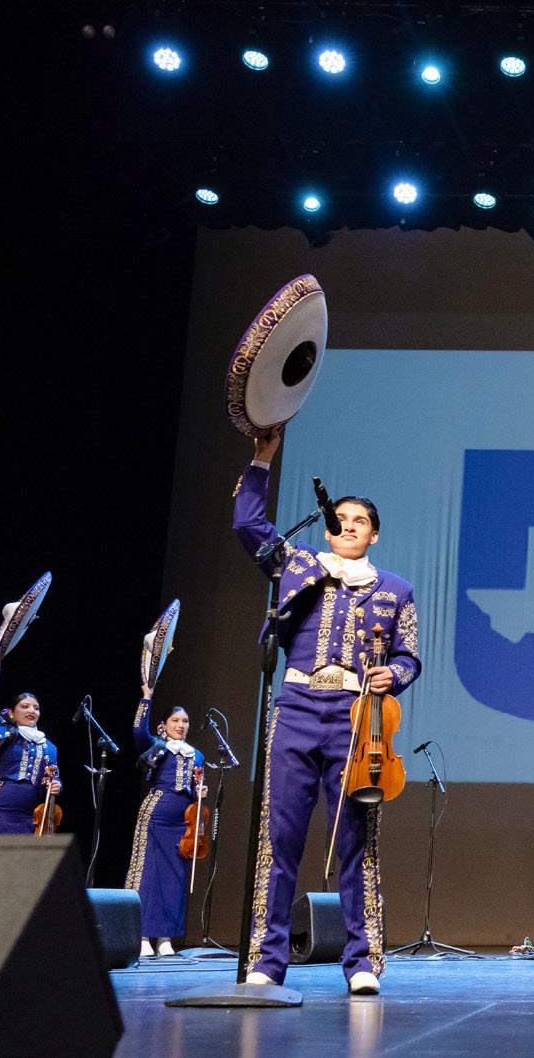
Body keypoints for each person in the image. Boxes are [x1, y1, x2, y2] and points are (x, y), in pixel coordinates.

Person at [234, 424, 419, 994]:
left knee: (355, 840)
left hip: (356, 720)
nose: (347, 525)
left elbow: (410, 656)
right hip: (295, 706)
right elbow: (248, 526)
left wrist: (398, 673)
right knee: (280, 838)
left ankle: (363, 962)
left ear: (374, 535)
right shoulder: (298, 566)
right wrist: (263, 460)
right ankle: (267, 962)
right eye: (341, 518)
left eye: (359, 520)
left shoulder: (396, 589)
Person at [130, 693, 204, 957]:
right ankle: (140, 936)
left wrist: (200, 792)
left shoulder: (196, 755)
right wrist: (146, 700)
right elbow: (138, 730)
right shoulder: (156, 747)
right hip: (157, 814)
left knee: (175, 877)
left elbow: (194, 790)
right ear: (164, 724)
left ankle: (164, 937)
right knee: (148, 873)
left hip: (181, 821)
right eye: (176, 720)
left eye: (185, 721)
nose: (181, 725)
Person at [0, 673, 61, 835]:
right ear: (12, 714)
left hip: (29, 817)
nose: (32, 711)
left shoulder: (49, 747)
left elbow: (54, 775)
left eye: (36, 708)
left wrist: (57, 785)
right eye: (25, 706)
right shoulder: (4, 733)